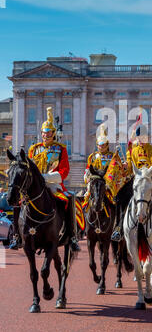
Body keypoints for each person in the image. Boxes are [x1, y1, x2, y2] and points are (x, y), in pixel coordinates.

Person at [10, 107, 80, 251]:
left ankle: (72, 235)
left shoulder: (61, 149)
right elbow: (28, 168)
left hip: (53, 184)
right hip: (34, 184)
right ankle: (16, 236)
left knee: (69, 200)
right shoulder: (34, 149)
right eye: (43, 133)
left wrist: (46, 177)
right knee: (18, 201)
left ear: (53, 134)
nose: (45, 135)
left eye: (48, 133)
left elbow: (64, 170)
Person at [111, 124, 152, 242]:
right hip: (136, 181)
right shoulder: (132, 152)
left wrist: (148, 171)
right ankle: (118, 227)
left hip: (151, 181)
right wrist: (124, 167)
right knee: (119, 196)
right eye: (139, 138)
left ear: (148, 138)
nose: (141, 140)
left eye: (143, 138)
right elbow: (129, 167)